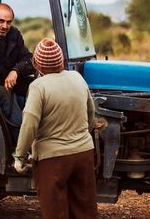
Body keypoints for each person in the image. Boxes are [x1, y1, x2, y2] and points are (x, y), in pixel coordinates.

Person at [13, 38, 97, 219]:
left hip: (52, 160)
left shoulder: (38, 86)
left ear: (37, 64)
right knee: (84, 209)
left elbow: (30, 123)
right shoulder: (77, 78)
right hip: (84, 153)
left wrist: (20, 156)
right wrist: (81, 137)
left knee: (55, 211)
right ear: (61, 61)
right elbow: (91, 112)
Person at [0, 3, 34, 141]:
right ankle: (20, 143)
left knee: (37, 85)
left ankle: (40, 128)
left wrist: (16, 71)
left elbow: (28, 58)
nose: (5, 26)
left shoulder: (14, 34)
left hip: (11, 79)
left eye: (8, 22)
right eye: (1, 21)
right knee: (5, 95)